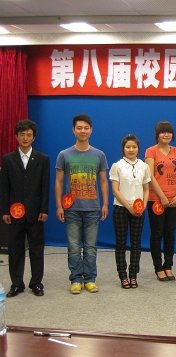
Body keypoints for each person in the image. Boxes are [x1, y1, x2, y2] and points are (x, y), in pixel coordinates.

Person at [55, 114, 109, 294]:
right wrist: (59, 206)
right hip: (71, 209)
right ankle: (76, 279)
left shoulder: (99, 155)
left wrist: (105, 204)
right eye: (79, 128)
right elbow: (59, 182)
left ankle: (90, 279)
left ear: (91, 130)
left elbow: (103, 182)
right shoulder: (64, 155)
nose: (83, 131)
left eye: (86, 128)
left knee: (91, 247)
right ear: (73, 130)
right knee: (73, 247)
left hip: (93, 208)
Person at [1, 119, 49, 297]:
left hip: (36, 212)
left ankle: (36, 283)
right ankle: (16, 284)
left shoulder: (42, 159)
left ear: (34, 137)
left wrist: (44, 209)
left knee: (36, 249)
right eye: (22, 134)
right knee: (15, 249)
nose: (25, 138)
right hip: (14, 213)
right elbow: (4, 187)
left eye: (29, 135)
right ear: (16, 136)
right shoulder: (8, 159)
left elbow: (45, 186)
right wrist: (5, 211)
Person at [109, 134, 151, 289]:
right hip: (121, 208)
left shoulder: (144, 166)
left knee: (136, 243)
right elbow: (115, 190)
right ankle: (123, 276)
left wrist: (143, 206)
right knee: (120, 243)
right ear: (123, 149)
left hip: (139, 209)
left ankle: (133, 275)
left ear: (138, 148)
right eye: (128, 147)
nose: (131, 149)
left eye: (134, 147)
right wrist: (129, 207)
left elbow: (146, 189)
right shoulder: (117, 166)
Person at [145, 121, 176, 282]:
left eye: (169, 132)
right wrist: (161, 196)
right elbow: (150, 175)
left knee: (170, 233)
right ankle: (158, 268)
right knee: (157, 234)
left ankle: (168, 266)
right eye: (163, 132)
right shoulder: (151, 151)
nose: (166, 135)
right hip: (156, 199)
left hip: (175, 199)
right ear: (157, 134)